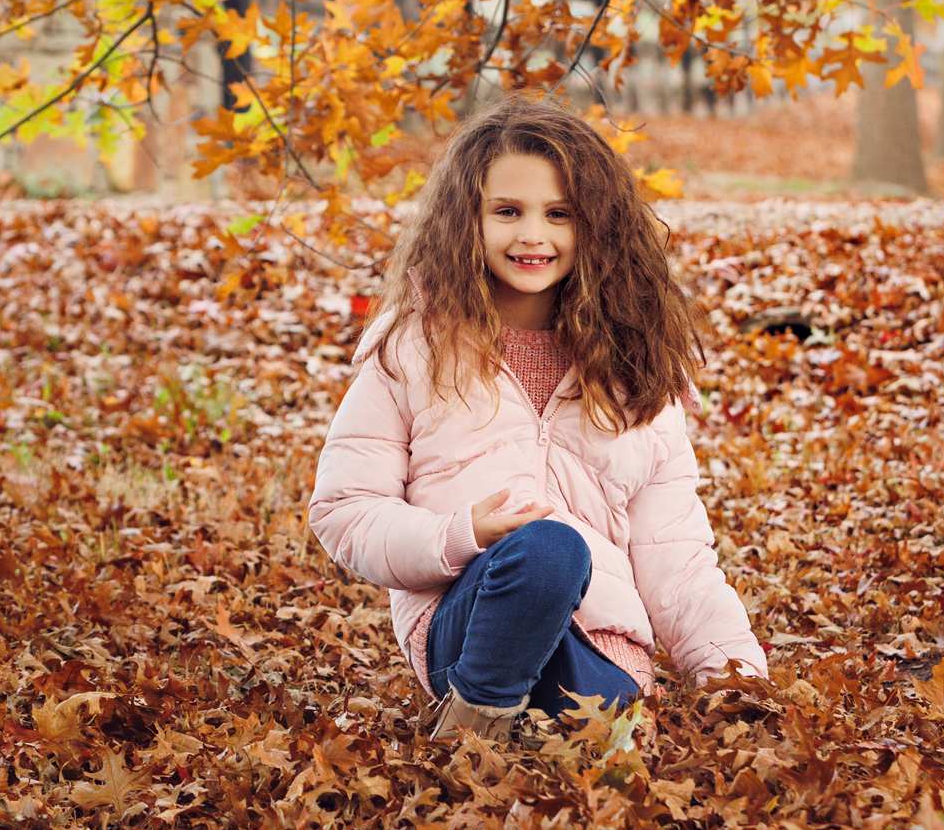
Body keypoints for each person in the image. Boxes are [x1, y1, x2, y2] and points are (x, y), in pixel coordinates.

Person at [308, 94, 767, 744]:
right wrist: (461, 534)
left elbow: (677, 559)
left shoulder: (634, 373)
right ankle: (475, 726)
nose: (533, 235)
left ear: (598, 227)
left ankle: (548, 734)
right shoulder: (415, 350)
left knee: (608, 719)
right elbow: (345, 509)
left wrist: (738, 677)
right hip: (467, 627)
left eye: (559, 214)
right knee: (548, 552)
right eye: (508, 211)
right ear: (467, 219)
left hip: (601, 651)